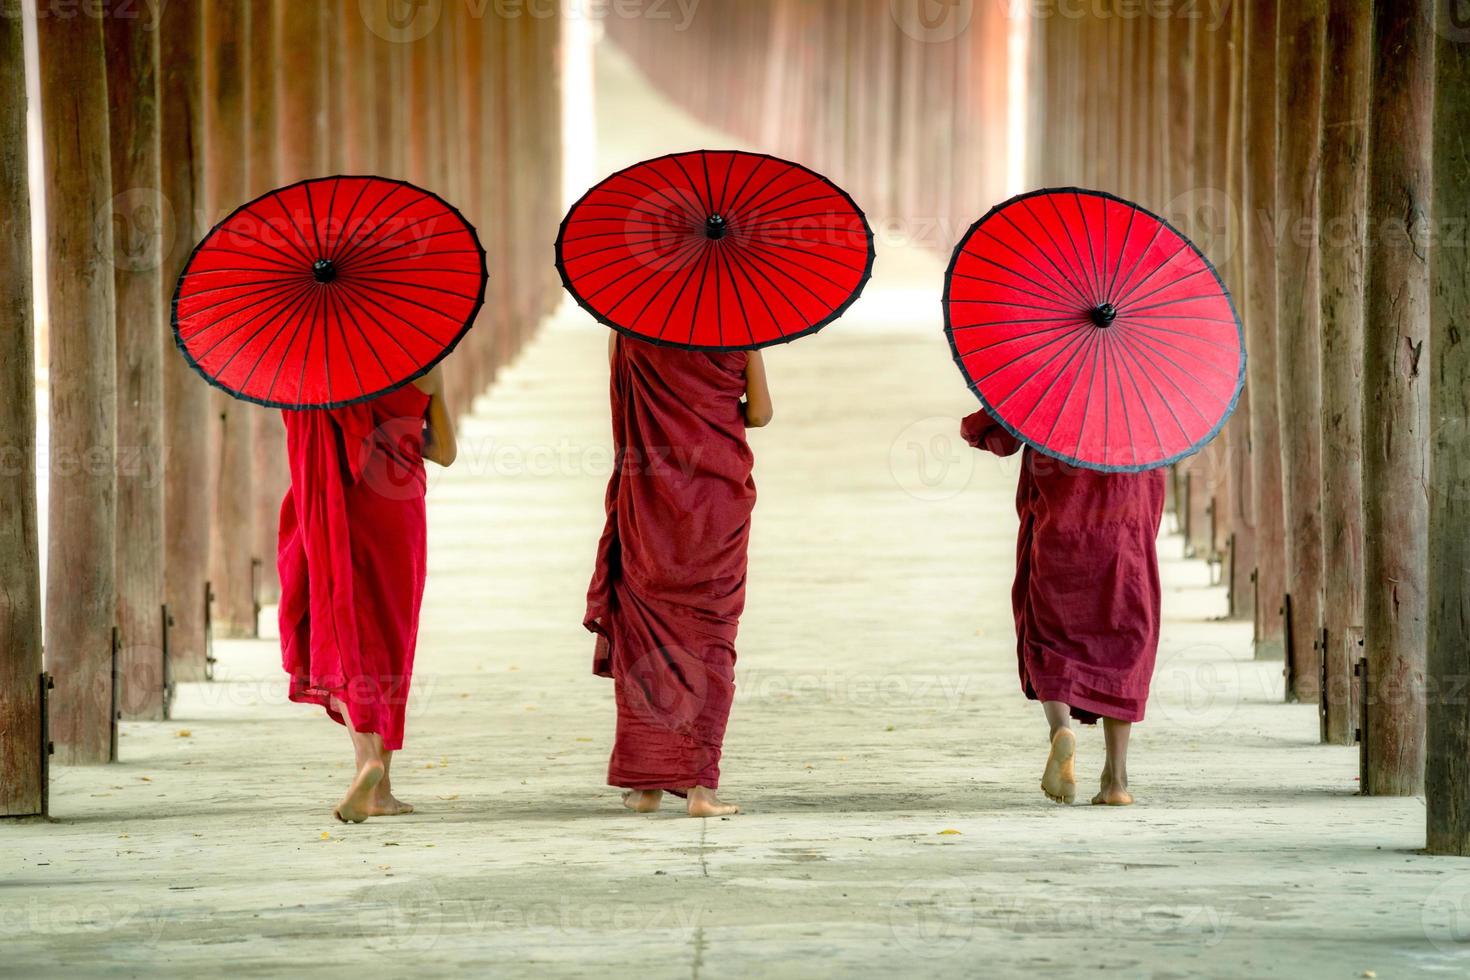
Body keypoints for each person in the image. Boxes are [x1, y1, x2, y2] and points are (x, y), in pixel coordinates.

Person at [585, 332, 773, 818]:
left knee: (644, 631)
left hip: (648, 499)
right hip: (717, 502)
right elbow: (760, 414)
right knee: (711, 634)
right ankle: (699, 791)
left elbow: (621, 401)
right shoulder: (741, 329)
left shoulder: (627, 330)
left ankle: (647, 784)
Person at [277, 364, 457, 823]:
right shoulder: (427, 367)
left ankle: (367, 759)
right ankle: (384, 790)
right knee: (394, 639)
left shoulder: (317, 371)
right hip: (398, 510)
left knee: (345, 631)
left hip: (341, 508)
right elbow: (446, 453)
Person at [961, 408, 1164, 806]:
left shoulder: (1052, 388)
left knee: (1049, 639)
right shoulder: (1147, 402)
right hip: (1126, 544)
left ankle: (1060, 732)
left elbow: (996, 438)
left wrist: (975, 427)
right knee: (1123, 652)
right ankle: (1116, 781)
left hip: (1061, 535)